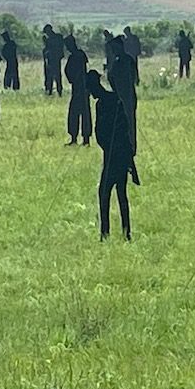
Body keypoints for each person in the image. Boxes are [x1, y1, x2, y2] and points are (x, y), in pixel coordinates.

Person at [88, 70, 137, 240]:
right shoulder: (108, 101)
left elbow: (115, 129)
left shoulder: (109, 102)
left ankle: (107, 232)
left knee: (106, 192)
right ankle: (124, 232)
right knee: (119, 193)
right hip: (115, 153)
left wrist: (112, 148)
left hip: (116, 154)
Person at [64, 34, 92, 145]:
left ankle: (84, 138)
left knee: (82, 113)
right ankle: (76, 138)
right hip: (78, 88)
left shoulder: (78, 55)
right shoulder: (78, 55)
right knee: (76, 113)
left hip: (81, 88)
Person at [42, 24, 64, 95]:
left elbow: (49, 50)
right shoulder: (58, 37)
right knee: (54, 77)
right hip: (53, 61)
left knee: (54, 77)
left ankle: (54, 91)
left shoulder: (56, 38)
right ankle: (53, 91)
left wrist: (46, 44)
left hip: (53, 61)